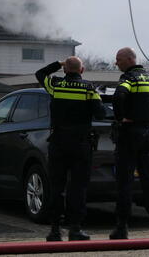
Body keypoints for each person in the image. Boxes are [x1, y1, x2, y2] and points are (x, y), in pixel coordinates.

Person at [35, 56, 105, 242]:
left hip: (58, 143)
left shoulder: (55, 85)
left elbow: (39, 74)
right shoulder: (90, 88)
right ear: (82, 71)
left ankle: (55, 230)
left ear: (65, 70)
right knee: (78, 187)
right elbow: (101, 113)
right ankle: (75, 229)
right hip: (81, 145)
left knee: (57, 187)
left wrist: (58, 63)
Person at [109, 47, 149, 240]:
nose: (116, 63)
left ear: (129, 59)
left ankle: (122, 228)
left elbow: (118, 96)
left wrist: (120, 117)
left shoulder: (128, 78)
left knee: (124, 182)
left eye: (119, 59)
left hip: (130, 133)